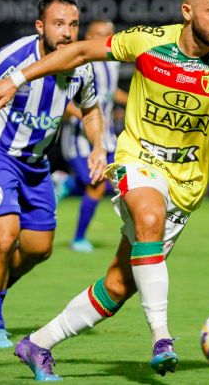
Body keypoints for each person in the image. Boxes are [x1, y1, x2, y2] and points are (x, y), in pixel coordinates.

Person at [0, 0, 209, 380]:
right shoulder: (149, 41)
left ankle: (37, 343)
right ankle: (161, 337)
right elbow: (78, 53)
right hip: (139, 159)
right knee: (148, 217)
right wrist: (18, 77)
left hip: (186, 187)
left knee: (118, 285)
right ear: (188, 12)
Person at [0, 0, 106, 349]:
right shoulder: (14, 57)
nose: (67, 32)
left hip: (36, 166)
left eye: (73, 25)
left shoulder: (80, 66)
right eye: (59, 24)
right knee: (5, 236)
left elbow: (91, 109)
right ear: (40, 27)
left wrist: (98, 146)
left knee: (39, 248)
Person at [57, 19, 128, 252]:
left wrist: (133, 101)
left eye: (108, 34)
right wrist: (84, 115)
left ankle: (67, 183)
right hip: (80, 140)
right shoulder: (77, 66)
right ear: (87, 39)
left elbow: (110, 92)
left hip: (106, 138)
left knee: (118, 183)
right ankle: (78, 238)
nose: (104, 39)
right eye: (99, 34)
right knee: (97, 184)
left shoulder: (112, 63)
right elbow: (62, 100)